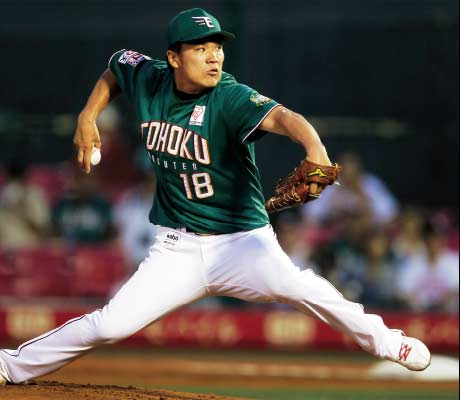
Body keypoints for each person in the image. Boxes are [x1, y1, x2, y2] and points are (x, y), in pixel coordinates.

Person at [0, 8, 430, 386]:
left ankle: (388, 341)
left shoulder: (230, 96)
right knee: (108, 326)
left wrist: (315, 149)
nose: (214, 56)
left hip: (242, 242)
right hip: (177, 248)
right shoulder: (149, 78)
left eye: (218, 47)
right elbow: (116, 66)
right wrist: (87, 115)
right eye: (201, 48)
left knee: (300, 286)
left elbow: (286, 117)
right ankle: (9, 366)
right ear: (173, 58)